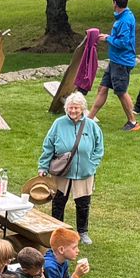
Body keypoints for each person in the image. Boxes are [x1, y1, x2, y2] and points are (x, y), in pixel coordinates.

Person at [37, 91, 105, 240]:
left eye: (76, 108)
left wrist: (91, 165)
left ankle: (83, 232)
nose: (73, 111)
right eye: (70, 107)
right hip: (62, 171)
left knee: (83, 203)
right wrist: (43, 166)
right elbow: (48, 146)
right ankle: (57, 230)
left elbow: (99, 148)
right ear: (66, 108)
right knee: (58, 202)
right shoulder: (58, 123)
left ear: (83, 109)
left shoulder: (91, 125)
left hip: (84, 172)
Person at [90, 0, 140, 130]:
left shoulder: (125, 20)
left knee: (121, 92)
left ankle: (133, 122)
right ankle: (89, 119)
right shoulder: (124, 16)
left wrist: (108, 38)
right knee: (103, 88)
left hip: (122, 62)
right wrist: (109, 37)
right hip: (115, 61)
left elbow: (123, 43)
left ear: (115, 3)